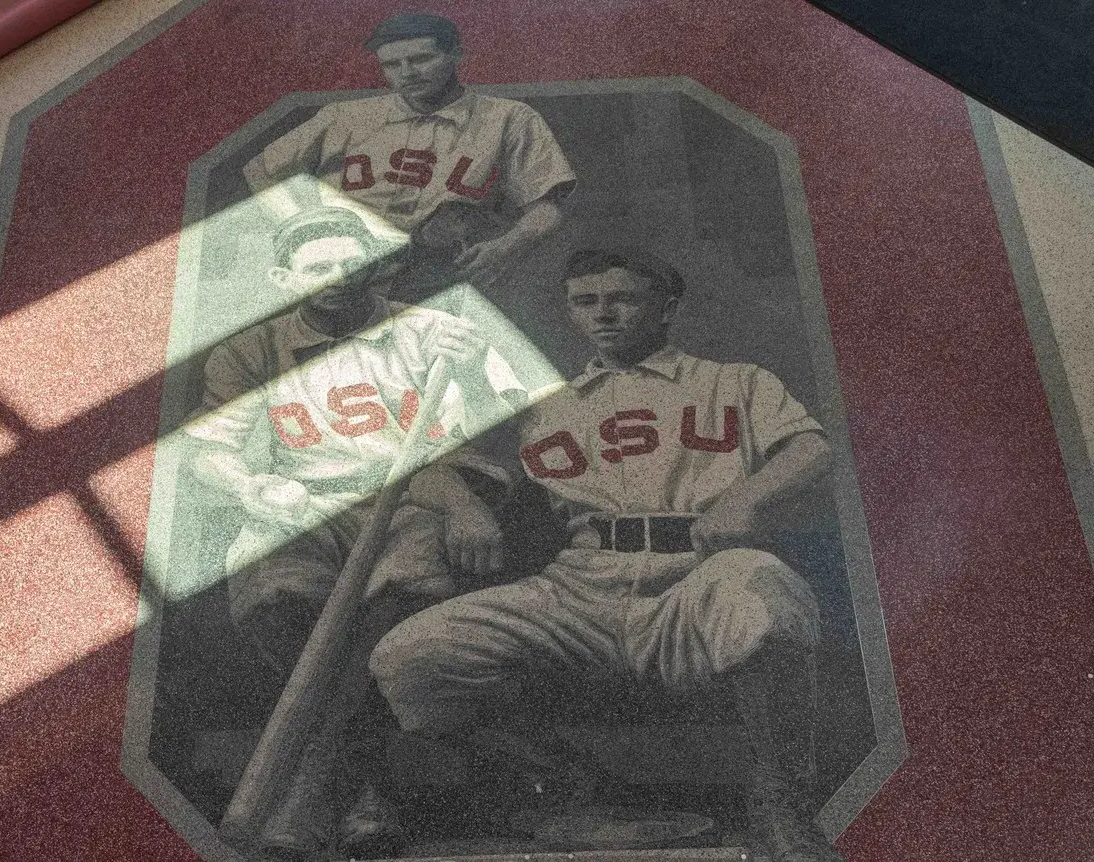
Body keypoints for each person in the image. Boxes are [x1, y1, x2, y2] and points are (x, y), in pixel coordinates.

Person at [370, 249, 845, 862]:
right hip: (579, 585)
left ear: (666, 305)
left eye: (622, 299)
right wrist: (464, 508)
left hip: (694, 574)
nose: (604, 315)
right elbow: (416, 470)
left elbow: (810, 449)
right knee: (410, 657)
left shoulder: (735, 382)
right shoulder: (546, 405)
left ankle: (780, 803)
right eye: (585, 302)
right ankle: (563, 778)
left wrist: (748, 498)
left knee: (766, 595)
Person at [184, 206, 520, 861]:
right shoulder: (250, 349)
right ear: (283, 278)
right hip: (301, 505)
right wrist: (254, 486)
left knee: (391, 609)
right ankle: (364, 798)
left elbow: (493, 430)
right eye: (315, 268)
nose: (335, 278)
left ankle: (307, 807)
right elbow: (208, 451)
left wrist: (476, 369)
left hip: (411, 502)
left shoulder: (432, 334)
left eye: (349, 263)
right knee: (278, 595)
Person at [242, 12, 576, 293]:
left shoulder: (509, 118)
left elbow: (547, 207)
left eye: (421, 59)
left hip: (444, 276)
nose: (407, 73)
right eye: (392, 64)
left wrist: (505, 248)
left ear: (456, 54)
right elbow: (262, 170)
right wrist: (309, 231)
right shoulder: (344, 117)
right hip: (348, 279)